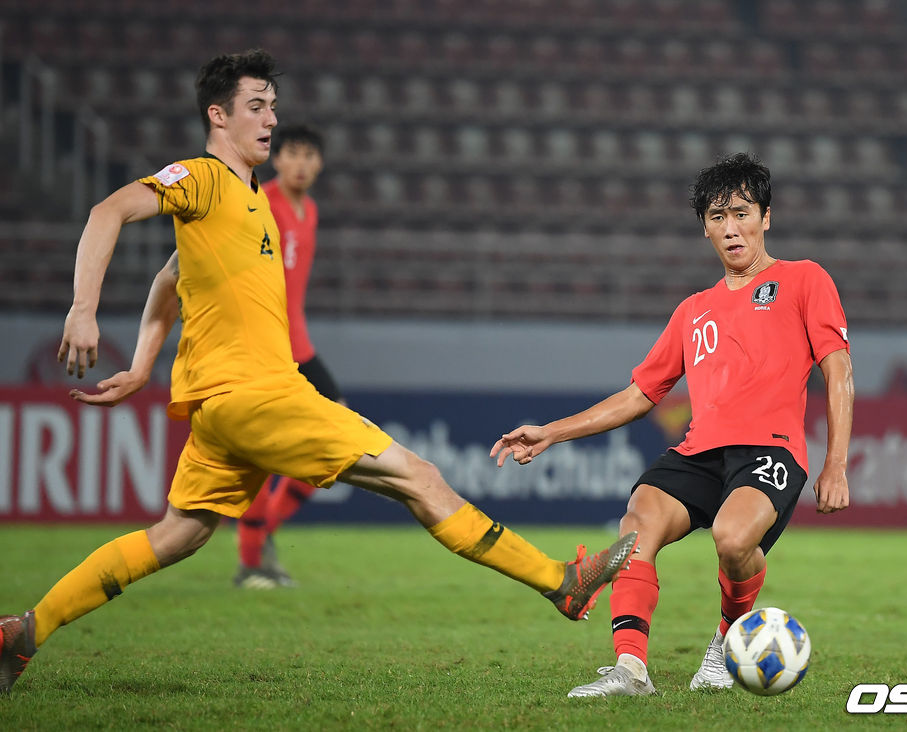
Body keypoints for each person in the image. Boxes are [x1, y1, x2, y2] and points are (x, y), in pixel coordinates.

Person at [0, 49, 638, 694]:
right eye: (256, 106)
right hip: (257, 395)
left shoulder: (250, 203)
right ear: (217, 116)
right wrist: (84, 311)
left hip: (226, 408)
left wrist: (141, 366)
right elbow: (105, 213)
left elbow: (170, 278)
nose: (271, 119)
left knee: (178, 535)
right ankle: (562, 581)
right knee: (419, 476)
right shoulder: (199, 178)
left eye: (273, 106)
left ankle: (25, 629)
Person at [490, 152, 854, 697]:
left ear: (766, 217)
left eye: (741, 213)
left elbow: (838, 368)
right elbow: (641, 394)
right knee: (636, 524)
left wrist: (837, 465)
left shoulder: (804, 279)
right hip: (699, 451)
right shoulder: (693, 311)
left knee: (733, 542)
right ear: (704, 228)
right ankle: (630, 669)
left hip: (770, 451)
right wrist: (552, 431)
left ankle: (726, 642)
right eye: (716, 217)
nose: (730, 229)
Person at [234, 123, 335, 589]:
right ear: (276, 158)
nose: (301, 163)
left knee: (332, 448)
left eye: (310, 155)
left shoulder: (309, 210)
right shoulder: (259, 202)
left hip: (301, 348)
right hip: (265, 349)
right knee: (260, 455)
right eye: (292, 153)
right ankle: (252, 563)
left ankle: (262, 537)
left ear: (319, 164)